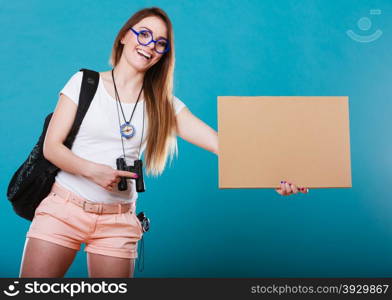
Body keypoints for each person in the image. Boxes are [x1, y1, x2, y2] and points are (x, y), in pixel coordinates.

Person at [19, 7, 309, 278]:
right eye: (143, 34)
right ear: (123, 36)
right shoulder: (84, 82)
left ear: (163, 54)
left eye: (160, 43)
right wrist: (92, 171)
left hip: (118, 222)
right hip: (64, 209)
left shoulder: (163, 105)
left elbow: (222, 145)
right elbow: (52, 147)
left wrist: (277, 174)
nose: (150, 45)